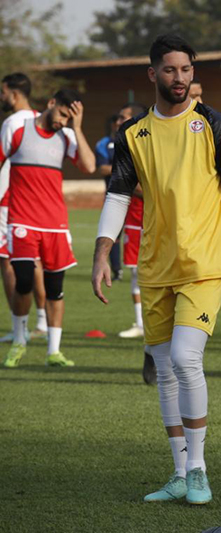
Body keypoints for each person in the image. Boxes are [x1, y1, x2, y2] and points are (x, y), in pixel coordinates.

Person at [92, 34, 221, 506]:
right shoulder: (132, 135)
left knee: (185, 359)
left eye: (186, 70)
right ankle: (180, 473)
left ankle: (200, 469)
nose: (180, 78)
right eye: (170, 70)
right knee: (165, 371)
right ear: (153, 74)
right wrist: (103, 253)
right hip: (154, 268)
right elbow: (118, 196)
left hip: (204, 265)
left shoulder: (217, 126)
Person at [1, 88, 96, 368]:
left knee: (55, 288)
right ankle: (20, 340)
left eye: (70, 119)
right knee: (23, 281)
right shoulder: (18, 129)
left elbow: (89, 166)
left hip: (55, 224)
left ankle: (54, 351)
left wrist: (76, 127)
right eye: (63, 115)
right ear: (51, 103)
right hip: (21, 220)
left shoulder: (66, 137)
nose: (63, 122)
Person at [0, 72, 48, 343]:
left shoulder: (12, 123)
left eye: (3, 92)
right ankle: (41, 321)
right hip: (36, 201)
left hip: (9, 201)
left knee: (8, 262)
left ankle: (20, 328)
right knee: (34, 261)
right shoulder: (40, 118)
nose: (1, 97)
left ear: (14, 93)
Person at [105, 103, 151, 341]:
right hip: (134, 220)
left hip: (156, 220)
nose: (117, 121)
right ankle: (141, 323)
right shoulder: (124, 146)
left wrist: (131, 185)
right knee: (135, 272)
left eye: (123, 117)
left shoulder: (148, 144)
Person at [95, 114, 123, 280]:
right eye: (117, 121)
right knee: (113, 235)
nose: (119, 124)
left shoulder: (140, 137)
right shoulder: (104, 144)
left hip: (140, 197)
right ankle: (117, 270)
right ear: (113, 124)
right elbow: (103, 169)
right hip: (115, 195)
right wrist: (127, 169)